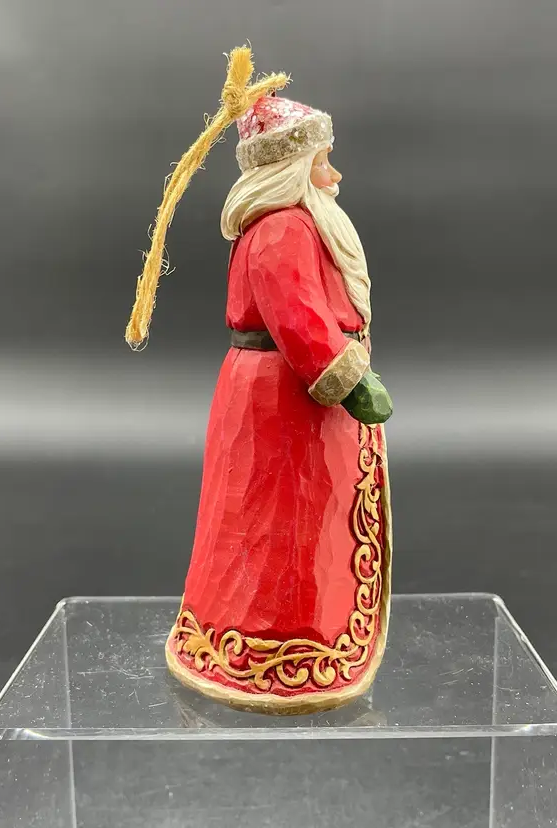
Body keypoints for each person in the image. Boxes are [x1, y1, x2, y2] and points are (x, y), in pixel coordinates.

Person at [125, 48, 393, 713]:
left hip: (289, 400)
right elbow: (300, 321)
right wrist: (350, 379)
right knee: (278, 524)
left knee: (296, 524)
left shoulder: (297, 224)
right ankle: (274, 647)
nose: (334, 175)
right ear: (295, 168)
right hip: (283, 404)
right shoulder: (282, 231)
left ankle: (296, 637)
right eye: (324, 161)